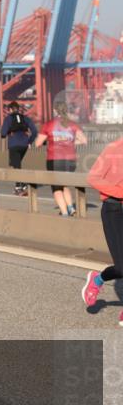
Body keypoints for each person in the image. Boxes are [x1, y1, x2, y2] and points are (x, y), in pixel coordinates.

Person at [81, 136, 123, 327]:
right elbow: (93, 177)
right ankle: (97, 279)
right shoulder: (114, 148)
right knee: (121, 267)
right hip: (114, 210)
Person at [35, 103, 88, 216]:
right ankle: (71, 208)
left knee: (56, 187)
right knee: (64, 184)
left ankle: (64, 213)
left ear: (55, 111)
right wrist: (69, 142)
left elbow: (38, 144)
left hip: (55, 160)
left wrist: (51, 141)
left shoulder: (49, 124)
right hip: (71, 160)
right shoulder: (72, 124)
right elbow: (84, 141)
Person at [0, 101, 38, 196]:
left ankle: (20, 186)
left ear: (10, 109)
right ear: (18, 109)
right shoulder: (25, 118)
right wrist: (29, 141)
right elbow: (34, 131)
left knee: (16, 165)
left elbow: (3, 134)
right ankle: (21, 184)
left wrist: (8, 132)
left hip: (14, 144)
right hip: (24, 145)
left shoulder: (8, 119)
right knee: (16, 164)